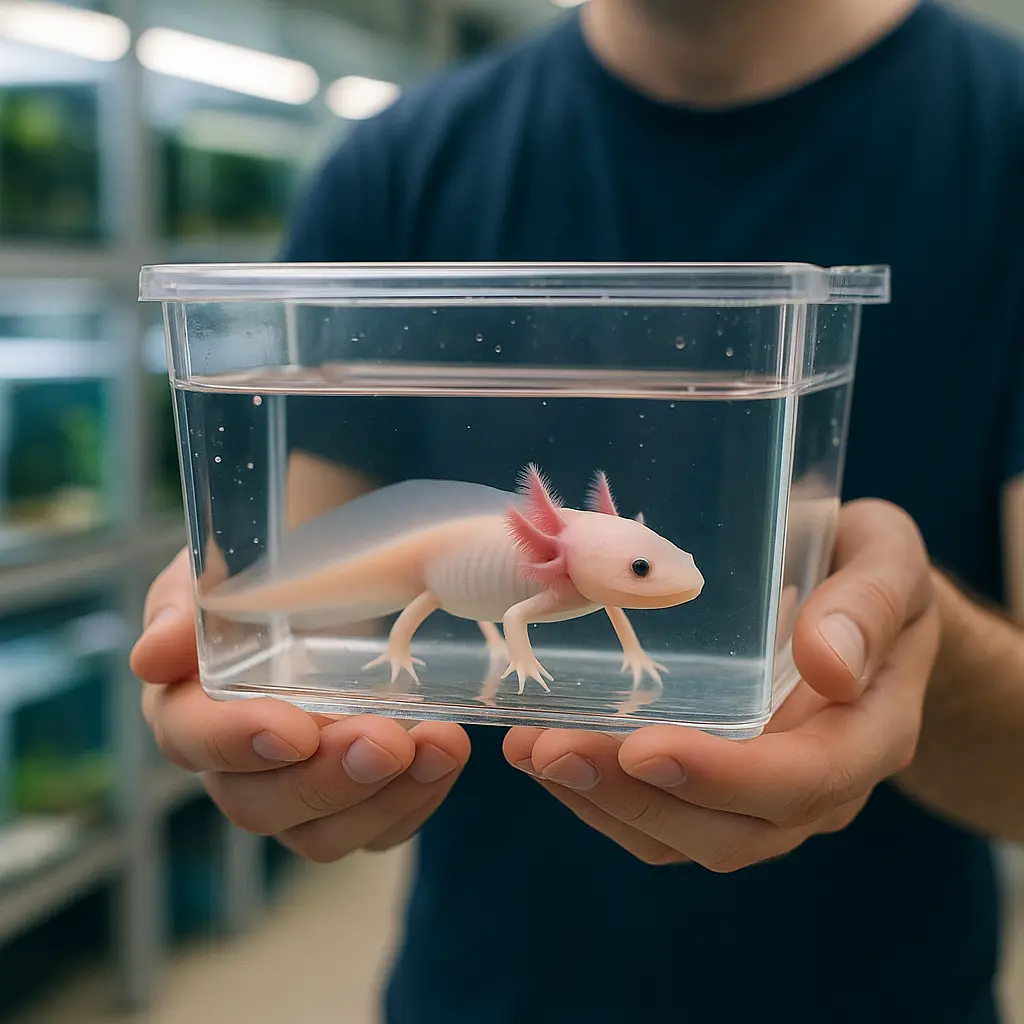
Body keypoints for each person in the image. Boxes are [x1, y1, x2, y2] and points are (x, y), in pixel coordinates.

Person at [131, 0, 1024, 1020]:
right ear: (553, 534)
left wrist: (916, 652)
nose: (669, 585)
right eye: (648, 574)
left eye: (654, 568)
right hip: (481, 985)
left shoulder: (1000, 130)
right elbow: (317, 632)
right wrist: (264, 703)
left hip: (890, 989)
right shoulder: (396, 162)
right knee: (388, 589)